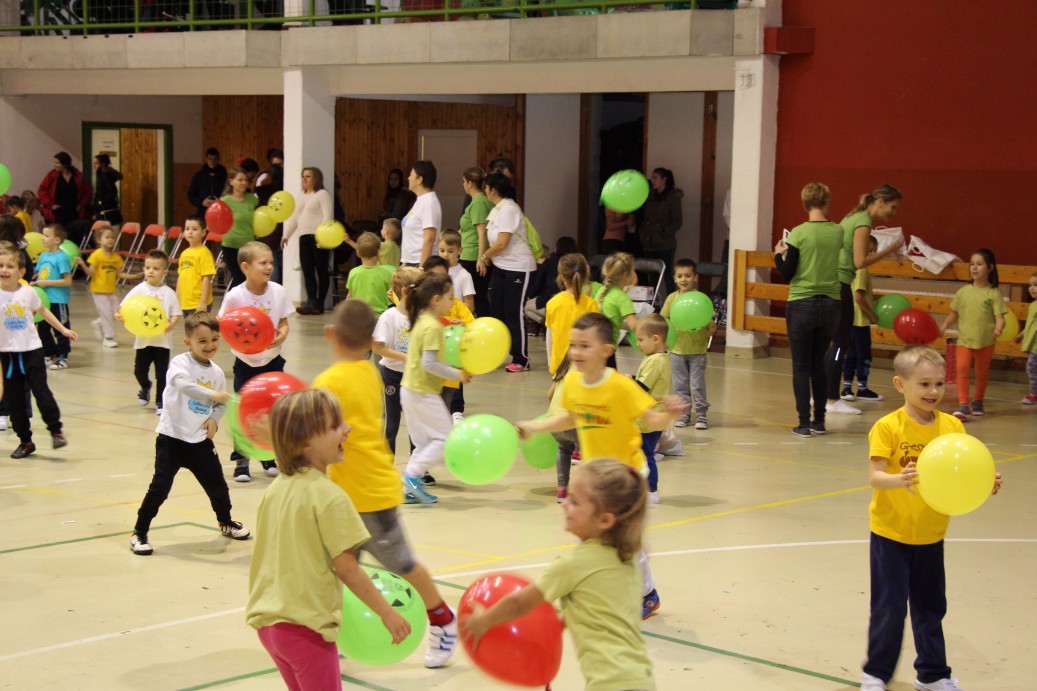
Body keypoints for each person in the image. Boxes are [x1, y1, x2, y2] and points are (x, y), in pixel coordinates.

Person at [314, 299, 462, 668]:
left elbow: (314, 434)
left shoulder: (329, 382)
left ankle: (443, 619)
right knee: (342, 565)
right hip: (353, 490)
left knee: (401, 563)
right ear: (371, 342)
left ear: (330, 333)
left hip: (367, 493)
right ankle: (338, 632)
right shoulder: (369, 372)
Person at [516, 313, 687, 619]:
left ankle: (647, 594)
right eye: (573, 345)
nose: (576, 352)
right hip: (595, 479)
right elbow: (571, 417)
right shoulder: (572, 381)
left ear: (607, 350)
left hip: (627, 478)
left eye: (585, 346)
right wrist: (535, 426)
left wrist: (671, 415)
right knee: (588, 537)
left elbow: (653, 421)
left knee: (626, 545)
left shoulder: (621, 387)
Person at [246, 389, 410, 690]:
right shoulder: (330, 497)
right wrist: (387, 613)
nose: (347, 428)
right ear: (306, 442)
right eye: (335, 425)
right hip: (305, 628)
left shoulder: (278, 488)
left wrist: (276, 434)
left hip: (270, 626)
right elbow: (347, 568)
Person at [860, 345, 1002, 691]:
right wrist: (899, 479)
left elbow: (961, 471)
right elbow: (875, 476)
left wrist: (985, 482)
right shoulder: (888, 427)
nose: (933, 391)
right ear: (900, 384)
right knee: (889, 608)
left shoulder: (952, 426)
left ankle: (932, 674)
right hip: (891, 534)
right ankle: (876, 673)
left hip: (930, 534)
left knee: (931, 608)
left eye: (939, 383)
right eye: (924, 384)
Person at [462, 458, 655, 691]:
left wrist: (483, 621)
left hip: (610, 684)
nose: (564, 504)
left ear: (605, 520)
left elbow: (518, 603)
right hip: (641, 680)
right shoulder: (627, 560)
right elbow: (605, 612)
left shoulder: (575, 564)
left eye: (574, 501)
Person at [129, 312, 250, 555]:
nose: (209, 345)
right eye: (202, 341)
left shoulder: (217, 373)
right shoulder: (180, 364)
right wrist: (212, 395)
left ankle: (225, 521)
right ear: (188, 342)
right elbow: (181, 384)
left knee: (218, 486)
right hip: (171, 439)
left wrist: (214, 419)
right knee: (159, 488)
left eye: (214, 339)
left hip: (199, 441)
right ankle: (139, 532)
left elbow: (220, 404)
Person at [217, 241, 294, 482]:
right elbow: (224, 325)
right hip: (245, 363)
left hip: (273, 361)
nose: (269, 267)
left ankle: (268, 455)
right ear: (245, 267)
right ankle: (242, 460)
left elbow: (284, 322)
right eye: (263, 263)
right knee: (244, 410)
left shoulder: (278, 291)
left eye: (271, 262)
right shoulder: (235, 296)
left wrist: (281, 335)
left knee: (272, 410)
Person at [826, 184, 904, 416]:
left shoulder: (854, 216)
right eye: (892, 207)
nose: (893, 212)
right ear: (880, 202)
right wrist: (888, 250)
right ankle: (831, 399)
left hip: (833, 282)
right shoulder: (863, 221)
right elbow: (859, 261)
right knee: (840, 345)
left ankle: (824, 394)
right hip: (840, 283)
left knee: (836, 345)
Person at [773, 183, 843, 438]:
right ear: (827, 202)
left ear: (805, 203)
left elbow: (787, 272)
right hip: (831, 303)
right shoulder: (838, 232)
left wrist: (778, 255)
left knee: (801, 366)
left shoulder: (799, 234)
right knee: (818, 364)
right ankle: (820, 421)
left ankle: (803, 423)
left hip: (802, 303)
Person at [399, 273, 472, 503]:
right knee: (444, 439)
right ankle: (412, 476)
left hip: (410, 389)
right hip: (422, 392)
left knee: (423, 443)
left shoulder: (423, 319)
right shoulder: (432, 327)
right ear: (436, 299)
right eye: (450, 297)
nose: (453, 302)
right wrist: (457, 374)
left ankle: (408, 490)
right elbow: (429, 363)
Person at [0, 247, 77, 459]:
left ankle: (56, 431)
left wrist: (63, 329)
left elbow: (43, 311)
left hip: (32, 350)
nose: (4, 270)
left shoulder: (28, 292)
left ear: (21, 271)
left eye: (10, 266)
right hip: (8, 355)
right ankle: (25, 442)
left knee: (41, 392)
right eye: (1, 266)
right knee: (14, 401)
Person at [938, 248, 1007, 420]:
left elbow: (1000, 318)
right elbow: (954, 313)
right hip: (965, 340)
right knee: (961, 370)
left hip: (986, 341)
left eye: (979, 264)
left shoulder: (993, 293)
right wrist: (944, 325)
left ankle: (978, 401)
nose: (974, 268)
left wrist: (998, 328)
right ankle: (963, 404)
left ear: (990, 268)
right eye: (972, 264)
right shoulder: (963, 292)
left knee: (981, 373)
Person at [481, 172, 537, 372]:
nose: (484, 190)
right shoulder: (497, 209)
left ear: (493, 189)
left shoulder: (509, 209)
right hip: (501, 267)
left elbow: (502, 243)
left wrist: (484, 256)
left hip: (518, 268)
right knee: (496, 312)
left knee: (514, 312)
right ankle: (497, 353)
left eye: (486, 187)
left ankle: (521, 359)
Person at [118, 251, 182, 415]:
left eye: (155, 268)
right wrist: (119, 315)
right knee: (139, 371)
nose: (151, 271)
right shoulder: (139, 290)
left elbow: (176, 313)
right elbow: (123, 308)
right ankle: (145, 386)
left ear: (164, 272)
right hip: (143, 341)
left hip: (162, 342)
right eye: (148, 268)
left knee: (162, 374)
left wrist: (171, 323)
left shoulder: (169, 292)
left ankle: (160, 402)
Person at [372, 266, 422, 456]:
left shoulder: (422, 317)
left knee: (416, 425)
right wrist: (405, 358)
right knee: (391, 424)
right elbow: (378, 347)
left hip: (415, 378)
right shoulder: (389, 317)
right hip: (392, 376)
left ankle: (417, 467)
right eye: (420, 289)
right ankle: (386, 463)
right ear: (405, 292)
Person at [662, 258, 715, 430]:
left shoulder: (700, 299)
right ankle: (684, 414)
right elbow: (664, 319)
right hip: (677, 350)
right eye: (680, 276)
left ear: (695, 277)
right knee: (680, 385)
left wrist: (711, 328)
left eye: (688, 275)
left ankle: (701, 415)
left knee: (697, 384)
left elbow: (709, 320)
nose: (684, 279)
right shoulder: (671, 299)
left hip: (697, 350)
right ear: (674, 279)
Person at [423, 256, 475, 428]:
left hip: (451, 371)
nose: (439, 281)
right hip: (426, 378)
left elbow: (473, 326)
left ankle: (456, 412)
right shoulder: (421, 310)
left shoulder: (456, 304)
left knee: (443, 417)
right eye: (433, 277)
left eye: (442, 276)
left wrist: (463, 326)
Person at [74, 226, 140, 348]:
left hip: (111, 291)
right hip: (99, 291)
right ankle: (108, 338)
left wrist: (134, 276)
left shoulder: (116, 258)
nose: (110, 240)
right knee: (107, 315)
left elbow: (120, 274)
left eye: (112, 237)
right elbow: (90, 273)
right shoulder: (96, 255)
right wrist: (82, 264)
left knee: (117, 314)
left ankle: (99, 323)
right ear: (99, 240)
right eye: (107, 237)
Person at [282, 166, 334, 315]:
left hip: (318, 237)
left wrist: (324, 238)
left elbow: (328, 217)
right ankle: (311, 301)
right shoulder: (301, 195)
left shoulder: (322, 194)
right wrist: (286, 235)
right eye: (303, 176)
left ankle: (320, 302)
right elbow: (295, 217)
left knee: (321, 270)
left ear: (316, 178)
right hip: (303, 236)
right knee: (307, 270)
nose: (304, 179)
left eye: (308, 176)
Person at [633, 314, 672, 506]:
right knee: (642, 453)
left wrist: (625, 382)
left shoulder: (655, 361)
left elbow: (641, 387)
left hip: (647, 420)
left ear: (655, 339)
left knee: (645, 454)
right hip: (651, 418)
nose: (638, 344)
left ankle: (651, 490)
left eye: (641, 340)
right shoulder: (658, 358)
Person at [840, 236, 882, 403]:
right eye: (869, 251)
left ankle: (847, 388)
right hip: (860, 321)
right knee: (863, 355)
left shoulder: (849, 267)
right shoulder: (862, 270)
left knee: (850, 354)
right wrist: (872, 315)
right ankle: (862, 389)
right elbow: (859, 297)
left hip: (849, 320)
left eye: (874, 252)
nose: (872, 255)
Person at [544, 252, 598, 376]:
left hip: (559, 367)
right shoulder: (591, 304)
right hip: (584, 367)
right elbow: (595, 339)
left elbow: (549, 336)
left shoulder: (553, 303)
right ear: (585, 276)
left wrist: (550, 362)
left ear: (562, 277)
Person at [32, 224, 74, 370]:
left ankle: (63, 357)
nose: (42, 238)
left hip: (58, 300)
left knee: (61, 329)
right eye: (42, 235)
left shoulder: (61, 258)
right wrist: (33, 283)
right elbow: (37, 274)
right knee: (42, 329)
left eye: (46, 235)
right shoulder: (43, 256)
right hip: (44, 300)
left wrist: (46, 283)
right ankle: (49, 352)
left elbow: (67, 281)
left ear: (56, 240)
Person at [637, 167, 683, 294]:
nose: (652, 181)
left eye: (655, 178)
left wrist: (664, 233)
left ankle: (671, 299)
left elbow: (677, 221)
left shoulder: (673, 197)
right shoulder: (650, 196)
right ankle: (654, 301)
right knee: (652, 276)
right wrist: (643, 233)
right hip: (649, 241)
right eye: (652, 178)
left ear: (664, 180)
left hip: (665, 243)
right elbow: (645, 217)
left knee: (667, 275)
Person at [458, 167, 494, 316]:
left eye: (464, 181)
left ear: (470, 183)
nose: (463, 184)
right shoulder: (479, 201)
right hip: (471, 253)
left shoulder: (479, 203)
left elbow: (482, 232)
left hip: (472, 256)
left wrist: (481, 258)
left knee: (477, 298)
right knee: (478, 297)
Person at [594, 252, 639, 368]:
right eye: (633, 270)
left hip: (595, 345)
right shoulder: (622, 298)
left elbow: (611, 317)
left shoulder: (602, 291)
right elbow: (635, 327)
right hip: (608, 348)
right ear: (625, 275)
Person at [527, 236, 578, 334]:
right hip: (575, 301)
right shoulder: (578, 262)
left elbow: (537, 285)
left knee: (526, 307)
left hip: (551, 300)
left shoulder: (550, 262)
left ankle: (547, 324)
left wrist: (530, 295)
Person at [545, 355, 579, 502]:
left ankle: (562, 491)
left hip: (553, 421)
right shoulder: (584, 368)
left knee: (563, 449)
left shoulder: (563, 367)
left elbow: (549, 395)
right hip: (570, 421)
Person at [219, 166, 258, 292]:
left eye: (245, 180)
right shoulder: (224, 201)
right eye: (240, 180)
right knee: (239, 277)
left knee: (248, 277)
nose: (243, 183)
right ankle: (228, 301)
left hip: (248, 246)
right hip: (231, 245)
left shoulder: (252, 199)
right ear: (231, 182)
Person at [400, 161, 442, 267]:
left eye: (411, 175)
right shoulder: (421, 200)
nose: (408, 178)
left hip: (420, 262)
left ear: (420, 179)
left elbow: (429, 238)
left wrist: (422, 268)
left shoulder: (429, 202)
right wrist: (405, 262)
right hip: (412, 262)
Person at [37, 152, 92, 228]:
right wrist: (50, 205)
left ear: (65, 164)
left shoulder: (77, 176)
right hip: (57, 212)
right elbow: (42, 190)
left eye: (57, 163)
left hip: (73, 211)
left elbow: (87, 192)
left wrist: (81, 204)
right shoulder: (52, 175)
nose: (55, 165)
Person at [254, 148, 285, 282]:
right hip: (277, 227)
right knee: (275, 259)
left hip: (267, 227)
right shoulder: (283, 188)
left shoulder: (261, 188)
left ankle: (273, 287)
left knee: (272, 260)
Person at [176, 215, 216, 317]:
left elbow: (207, 279)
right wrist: (177, 298)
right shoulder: (184, 253)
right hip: (185, 302)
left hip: (198, 303)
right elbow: (180, 277)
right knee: (188, 327)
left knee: (199, 327)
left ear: (203, 232)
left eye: (194, 229)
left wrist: (203, 302)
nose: (190, 232)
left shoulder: (204, 253)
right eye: (187, 229)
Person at [346, 231, 394, 315]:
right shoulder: (386, 274)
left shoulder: (353, 272)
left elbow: (350, 295)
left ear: (358, 253)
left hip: (359, 316)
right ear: (378, 252)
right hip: (380, 317)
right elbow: (392, 296)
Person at [438, 229, 475, 313]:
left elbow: (470, 306)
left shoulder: (464, 276)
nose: (445, 255)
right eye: (442, 250)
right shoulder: (435, 272)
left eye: (450, 251)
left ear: (460, 250)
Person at [187, 147, 227, 218]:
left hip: (220, 211)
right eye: (210, 159)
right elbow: (191, 195)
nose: (212, 161)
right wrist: (202, 202)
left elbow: (228, 192)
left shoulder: (224, 175)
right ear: (206, 159)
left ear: (218, 160)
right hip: (203, 212)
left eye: (215, 159)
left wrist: (220, 201)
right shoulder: (199, 176)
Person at [1018, 271, 1037, 405]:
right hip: (1033, 346)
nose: (1032, 288)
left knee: (1031, 367)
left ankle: (1034, 394)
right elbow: (1031, 324)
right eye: (1030, 285)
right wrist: (1021, 334)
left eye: (1036, 285)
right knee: (1032, 368)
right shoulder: (1033, 305)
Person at [91, 154, 123, 228]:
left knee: (106, 229)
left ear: (102, 164)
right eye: (94, 163)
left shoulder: (104, 174)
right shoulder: (99, 174)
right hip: (101, 206)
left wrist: (102, 202)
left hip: (106, 207)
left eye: (96, 163)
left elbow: (112, 191)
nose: (94, 166)